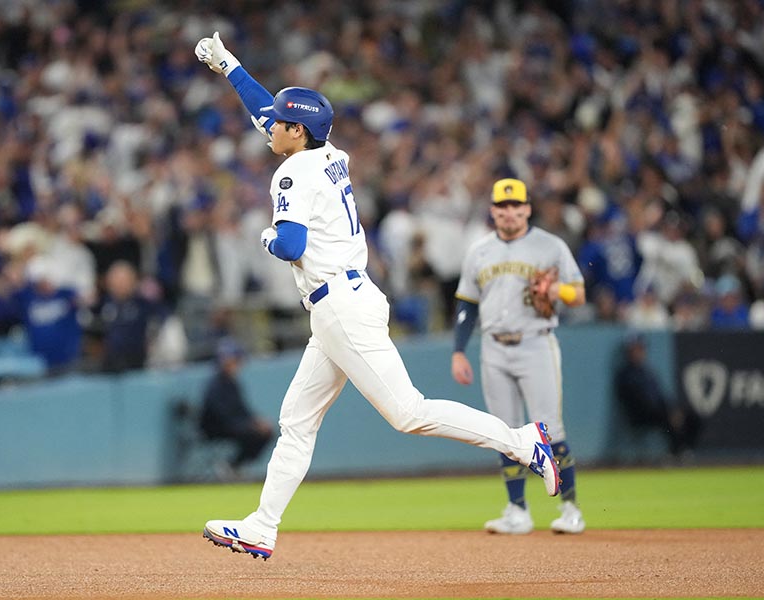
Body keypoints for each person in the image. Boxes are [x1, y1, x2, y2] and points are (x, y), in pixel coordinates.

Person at [194, 32, 560, 560]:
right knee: (297, 420)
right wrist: (228, 65)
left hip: (340, 306)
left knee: (408, 412)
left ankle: (524, 442)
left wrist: (265, 236)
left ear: (297, 131)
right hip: (343, 301)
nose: (269, 125)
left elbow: (290, 243)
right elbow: (265, 113)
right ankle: (262, 526)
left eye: (280, 122)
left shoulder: (293, 171)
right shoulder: (325, 152)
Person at [451, 178, 588, 535]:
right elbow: (466, 303)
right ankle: (517, 511)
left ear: (527, 208)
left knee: (550, 430)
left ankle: (570, 509)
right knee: (505, 434)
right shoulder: (479, 250)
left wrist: (557, 289)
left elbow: (579, 294)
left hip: (536, 343)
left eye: (516, 205)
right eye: (502, 206)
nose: (509, 212)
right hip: (493, 346)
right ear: (493, 210)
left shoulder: (550, 245)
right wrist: (458, 351)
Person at [614, 332, 700, 459]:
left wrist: (673, 409)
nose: (638, 352)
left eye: (640, 349)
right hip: (641, 415)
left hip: (659, 410)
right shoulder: (625, 374)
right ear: (628, 352)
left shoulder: (648, 371)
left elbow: (661, 396)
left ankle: (686, 450)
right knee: (667, 417)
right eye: (634, 349)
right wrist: (668, 411)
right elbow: (637, 402)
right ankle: (675, 452)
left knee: (693, 416)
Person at [199, 338, 274, 473]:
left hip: (233, 425)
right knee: (255, 434)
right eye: (233, 360)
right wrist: (249, 425)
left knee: (265, 433)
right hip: (216, 428)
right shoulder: (215, 385)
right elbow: (221, 415)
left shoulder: (233, 383)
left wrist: (255, 421)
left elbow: (242, 409)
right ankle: (231, 466)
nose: (236, 365)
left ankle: (234, 466)